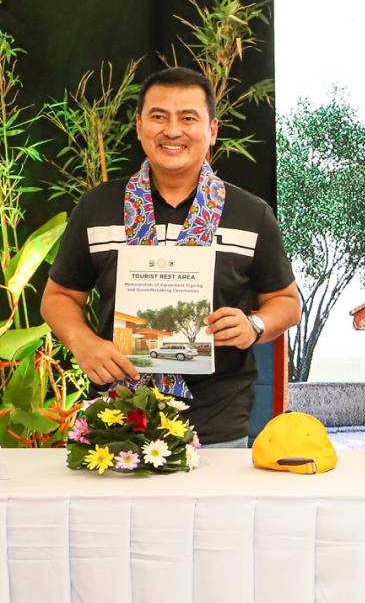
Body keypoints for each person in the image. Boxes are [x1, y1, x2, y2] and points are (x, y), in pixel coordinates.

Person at [43, 66, 301, 448]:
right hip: (118, 417)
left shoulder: (251, 214)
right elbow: (58, 297)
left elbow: (287, 302)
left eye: (188, 118)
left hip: (217, 421)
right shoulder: (97, 207)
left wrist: (254, 325)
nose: (173, 130)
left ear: (212, 130)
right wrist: (82, 342)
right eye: (159, 117)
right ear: (139, 126)